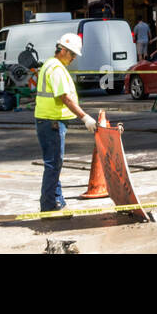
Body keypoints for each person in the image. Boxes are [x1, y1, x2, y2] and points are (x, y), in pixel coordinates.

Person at [35, 33, 98, 213]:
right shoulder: (56, 69)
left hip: (49, 121)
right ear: (62, 50)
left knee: (54, 163)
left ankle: (57, 201)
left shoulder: (52, 65)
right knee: (53, 164)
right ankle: (49, 206)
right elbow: (65, 98)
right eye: (72, 54)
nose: (73, 58)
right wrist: (84, 117)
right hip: (52, 121)